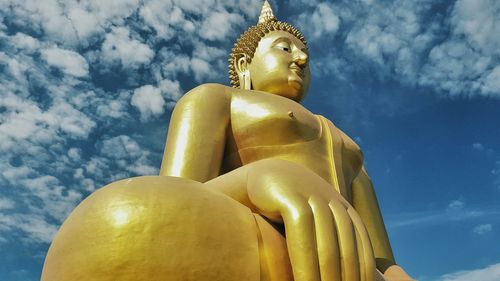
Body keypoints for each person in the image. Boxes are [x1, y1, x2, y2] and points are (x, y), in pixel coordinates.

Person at [41, 2, 415, 281]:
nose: (300, 58)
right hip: (262, 247)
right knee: (115, 224)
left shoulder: (348, 147)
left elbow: (385, 261)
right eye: (284, 48)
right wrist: (256, 178)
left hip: (353, 272)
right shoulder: (219, 99)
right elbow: (179, 196)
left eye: (305, 54)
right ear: (243, 67)